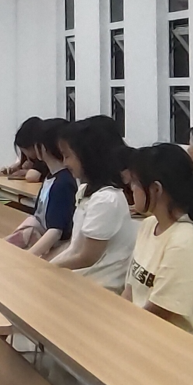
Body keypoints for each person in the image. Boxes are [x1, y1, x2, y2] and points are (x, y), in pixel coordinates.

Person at [123, 143, 193, 344]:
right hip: (151, 335)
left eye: (135, 183)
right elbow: (129, 292)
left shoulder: (187, 241)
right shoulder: (149, 225)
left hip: (192, 347)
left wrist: (120, 330)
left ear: (156, 189)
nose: (130, 189)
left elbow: (159, 314)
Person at [49, 116, 138, 293]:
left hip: (99, 287)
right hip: (83, 280)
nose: (65, 163)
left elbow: (87, 257)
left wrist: (48, 269)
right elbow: (75, 246)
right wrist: (46, 264)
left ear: (86, 157)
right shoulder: (87, 191)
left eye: (68, 156)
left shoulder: (106, 200)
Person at [6, 118, 77, 257]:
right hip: (42, 242)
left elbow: (55, 231)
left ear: (43, 147)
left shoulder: (63, 182)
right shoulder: (52, 177)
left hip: (52, 249)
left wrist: (29, 256)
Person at [0, 116, 48, 183]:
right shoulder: (32, 158)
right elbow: (21, 164)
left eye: (25, 150)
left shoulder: (45, 159)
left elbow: (31, 176)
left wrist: (26, 172)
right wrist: (13, 169)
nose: (25, 154)